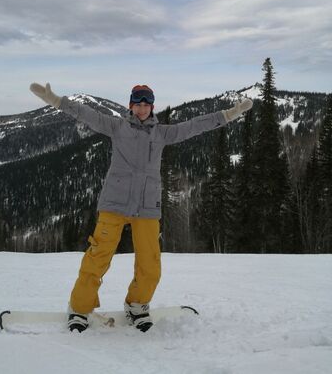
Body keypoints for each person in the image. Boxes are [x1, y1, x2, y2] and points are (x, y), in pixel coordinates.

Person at [30, 82, 253, 332]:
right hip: (114, 204)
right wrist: (56, 100)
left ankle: (137, 306)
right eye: (138, 104)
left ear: (152, 107)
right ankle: (79, 309)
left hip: (147, 207)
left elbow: (194, 126)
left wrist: (229, 114)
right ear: (131, 106)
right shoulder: (117, 126)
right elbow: (87, 114)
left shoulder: (162, 133)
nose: (142, 108)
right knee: (97, 258)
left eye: (147, 104)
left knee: (150, 264)